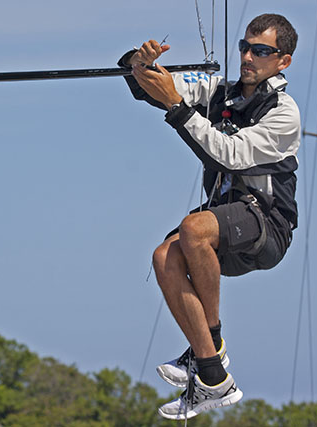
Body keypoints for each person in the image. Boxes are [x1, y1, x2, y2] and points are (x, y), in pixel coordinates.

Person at [118, 14, 300, 420]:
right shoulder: (219, 91)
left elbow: (227, 154)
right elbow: (159, 89)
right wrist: (138, 64)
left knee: (193, 229)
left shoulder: (284, 113)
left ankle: (211, 345)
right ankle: (212, 374)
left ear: (282, 61)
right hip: (228, 222)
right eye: (245, 47)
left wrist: (175, 105)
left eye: (261, 51)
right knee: (164, 256)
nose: (248, 56)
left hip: (268, 226)